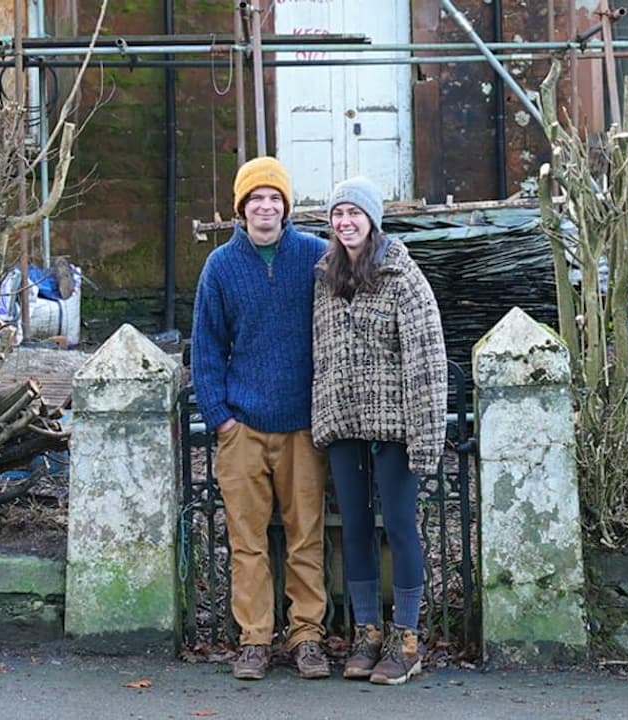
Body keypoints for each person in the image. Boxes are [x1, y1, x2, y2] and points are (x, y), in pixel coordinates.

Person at [191, 156, 331, 681]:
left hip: (302, 426)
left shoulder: (315, 257)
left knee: (305, 538)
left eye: (274, 198)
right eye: (256, 199)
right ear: (241, 208)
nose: (265, 207)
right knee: (247, 543)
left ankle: (307, 637)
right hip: (243, 428)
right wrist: (220, 418)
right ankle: (254, 640)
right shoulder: (221, 267)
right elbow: (206, 346)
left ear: (286, 207)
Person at [311, 177, 448, 686]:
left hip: (394, 425)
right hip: (344, 421)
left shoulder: (402, 275)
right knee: (354, 526)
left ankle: (406, 639)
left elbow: (427, 358)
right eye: (338, 214)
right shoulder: (325, 276)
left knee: (399, 524)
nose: (346, 222)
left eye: (355, 213)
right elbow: (321, 351)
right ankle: (367, 632)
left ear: (372, 219)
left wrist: (425, 436)